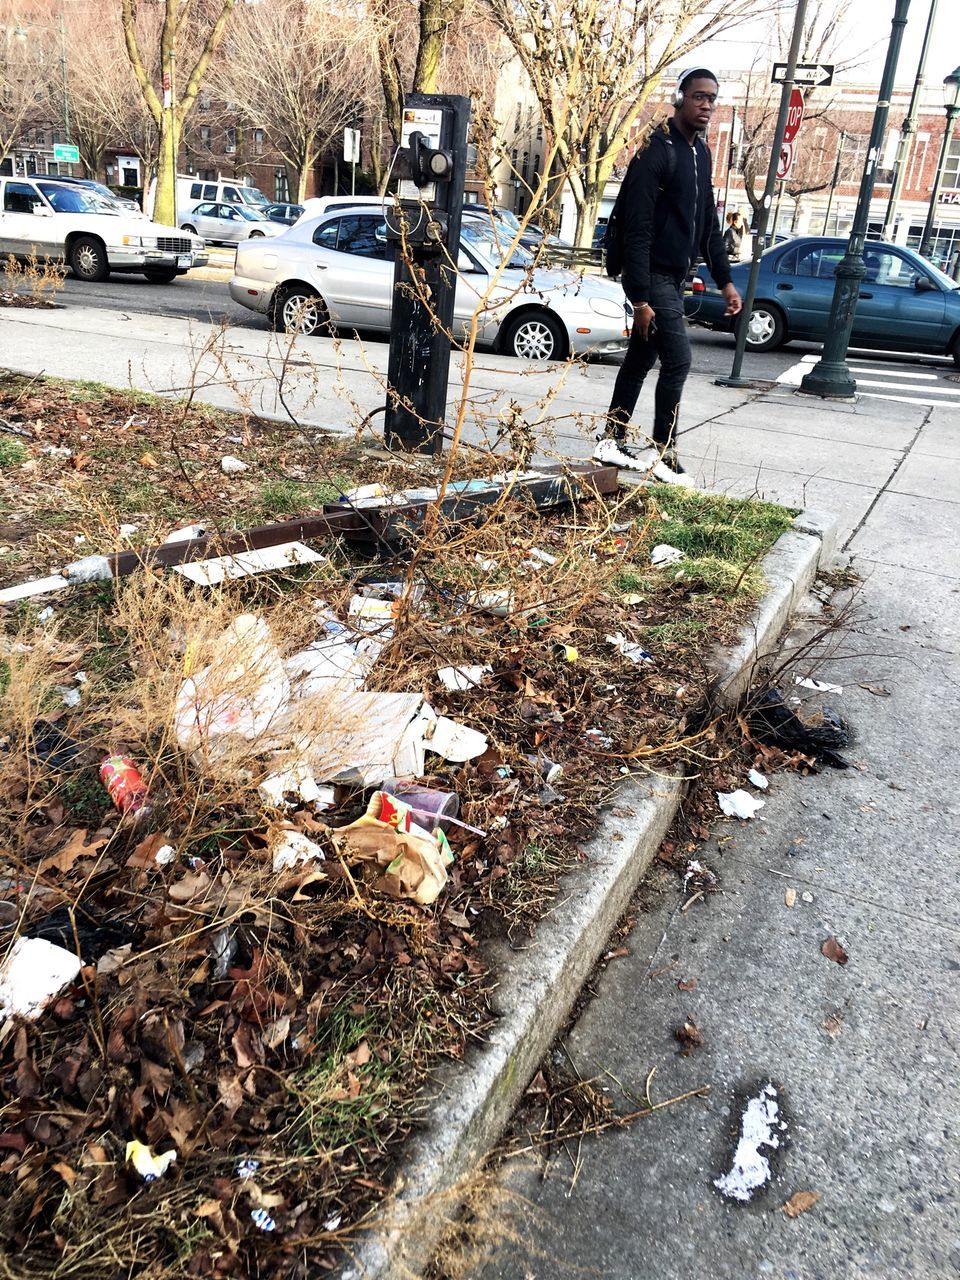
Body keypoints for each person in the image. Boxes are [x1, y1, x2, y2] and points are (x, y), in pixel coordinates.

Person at [594, 66, 742, 485]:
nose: (707, 105)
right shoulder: (656, 152)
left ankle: (611, 439)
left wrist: (725, 280)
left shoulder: (701, 153)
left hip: (675, 276)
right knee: (679, 360)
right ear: (680, 98)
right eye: (698, 96)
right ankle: (663, 452)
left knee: (642, 358)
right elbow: (637, 230)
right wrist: (640, 299)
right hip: (652, 276)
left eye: (712, 98)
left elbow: (708, 226)